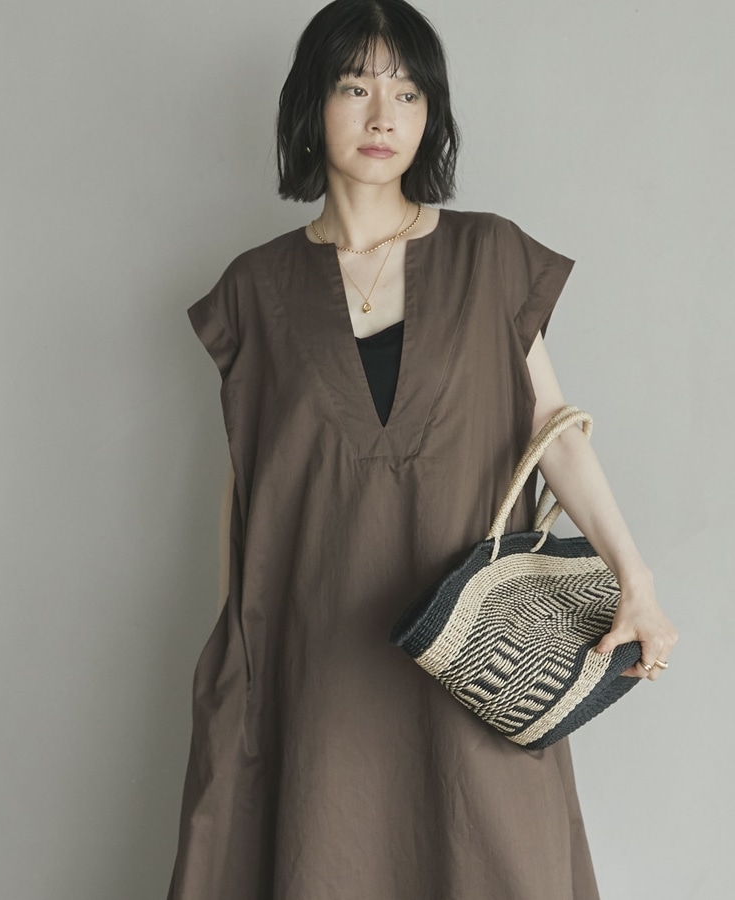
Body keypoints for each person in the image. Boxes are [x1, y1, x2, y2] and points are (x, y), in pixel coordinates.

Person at [166, 1, 678, 897]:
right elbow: (248, 486)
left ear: (430, 113)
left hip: (472, 661)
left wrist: (636, 581)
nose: (382, 116)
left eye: (407, 93)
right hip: (314, 664)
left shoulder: (490, 257)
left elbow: (554, 431)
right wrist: (233, 662)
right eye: (354, 87)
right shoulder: (255, 289)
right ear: (310, 105)